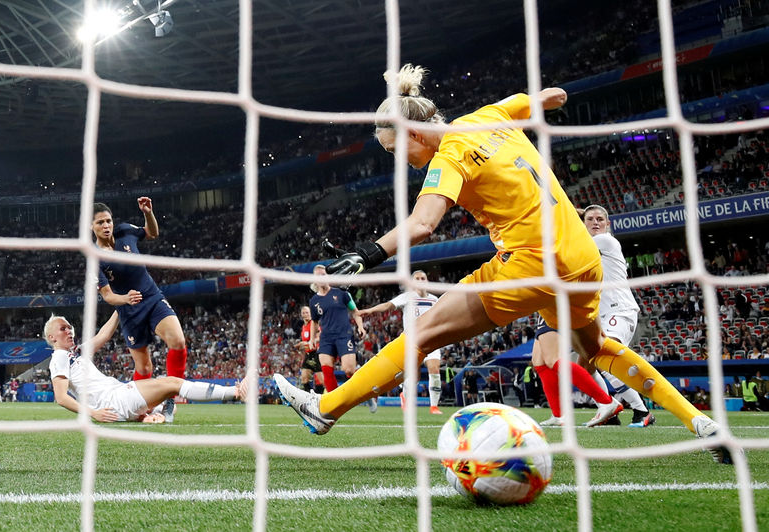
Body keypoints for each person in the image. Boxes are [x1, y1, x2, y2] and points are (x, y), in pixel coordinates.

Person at [273, 64, 731, 464]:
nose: (402, 162)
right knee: (599, 349)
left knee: (423, 333)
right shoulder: (485, 118)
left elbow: (424, 223)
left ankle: (325, 410)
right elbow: (553, 97)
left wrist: (368, 254)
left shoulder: (448, 156)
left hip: (530, 264)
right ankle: (699, 423)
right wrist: (544, 102)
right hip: (581, 261)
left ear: (413, 133)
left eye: (397, 152)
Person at [535, 205, 655, 428]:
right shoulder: (587, 251)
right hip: (600, 315)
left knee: (604, 358)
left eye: (600, 219)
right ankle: (608, 408)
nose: (595, 223)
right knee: (584, 365)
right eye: (590, 219)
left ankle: (642, 410)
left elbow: (566, 245)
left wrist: (564, 212)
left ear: (608, 224)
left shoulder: (606, 241)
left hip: (620, 310)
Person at [45, 313, 246, 423]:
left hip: (118, 395)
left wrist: (119, 307)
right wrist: (93, 413)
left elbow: (104, 334)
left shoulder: (78, 352)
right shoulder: (60, 358)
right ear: (52, 338)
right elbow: (61, 398)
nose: (69, 331)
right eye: (63, 329)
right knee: (172, 384)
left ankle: (147, 416)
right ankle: (236, 393)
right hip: (112, 401)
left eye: (70, 327)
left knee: (169, 402)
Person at [93, 199, 187, 422]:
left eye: (108, 220)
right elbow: (107, 295)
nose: (106, 226)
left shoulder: (125, 231)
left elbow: (152, 233)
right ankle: (138, 409)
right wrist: (125, 298)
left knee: (178, 341)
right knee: (144, 367)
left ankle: (170, 399)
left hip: (152, 298)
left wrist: (148, 213)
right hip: (129, 310)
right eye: (100, 223)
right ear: (91, 226)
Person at [359, 270, 444, 414]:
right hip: (413, 341)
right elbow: (387, 306)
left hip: (431, 339)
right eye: (417, 278)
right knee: (413, 375)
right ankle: (405, 397)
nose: (420, 280)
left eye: (423, 278)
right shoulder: (407, 297)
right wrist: (370, 311)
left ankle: (434, 406)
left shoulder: (435, 300)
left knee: (434, 369)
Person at [308, 265, 375, 412]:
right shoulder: (313, 301)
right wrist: (312, 338)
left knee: (349, 370)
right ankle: (335, 405)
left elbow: (355, 312)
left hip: (343, 335)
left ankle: (367, 394)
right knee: (326, 368)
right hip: (326, 338)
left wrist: (361, 327)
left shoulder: (342, 294)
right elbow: (314, 321)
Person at [295, 306, 324, 394]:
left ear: (310, 313)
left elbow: (320, 337)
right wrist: (301, 345)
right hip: (308, 355)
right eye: (303, 313)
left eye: (307, 312)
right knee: (304, 378)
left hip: (317, 354)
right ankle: (310, 399)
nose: (305, 314)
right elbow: (305, 343)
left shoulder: (313, 324)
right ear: (301, 315)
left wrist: (307, 343)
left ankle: (325, 398)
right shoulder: (304, 327)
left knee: (322, 381)